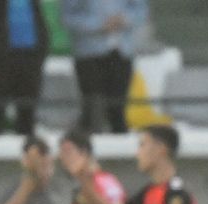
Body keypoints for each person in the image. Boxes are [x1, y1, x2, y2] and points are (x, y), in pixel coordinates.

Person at [61, 0, 149, 133]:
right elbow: (68, 17)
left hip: (122, 53)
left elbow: (141, 11)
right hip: (89, 54)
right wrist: (99, 25)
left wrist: (124, 19)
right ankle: (89, 146)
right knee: (93, 107)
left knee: (118, 106)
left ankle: (120, 148)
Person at [0, 0, 48, 136]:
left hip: (30, 56)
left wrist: (41, 48)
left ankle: (27, 147)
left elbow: (39, 20)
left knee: (27, 109)